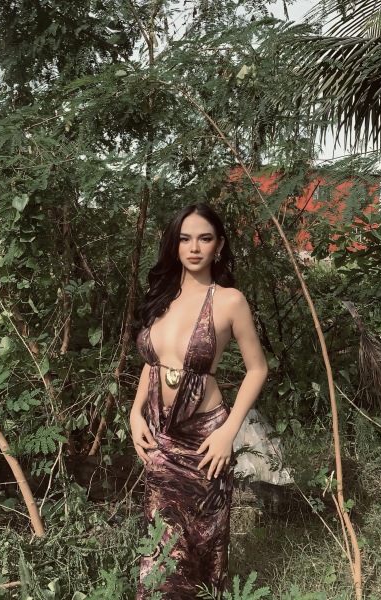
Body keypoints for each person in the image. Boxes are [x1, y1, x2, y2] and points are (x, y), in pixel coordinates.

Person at [131, 204, 268, 599]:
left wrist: (229, 432)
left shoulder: (229, 301)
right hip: (159, 437)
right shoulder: (162, 299)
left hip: (207, 440)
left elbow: (257, 369)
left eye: (204, 238)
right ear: (174, 245)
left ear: (218, 245)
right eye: (185, 239)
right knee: (161, 544)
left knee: (202, 544)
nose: (194, 248)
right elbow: (153, 364)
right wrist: (135, 413)